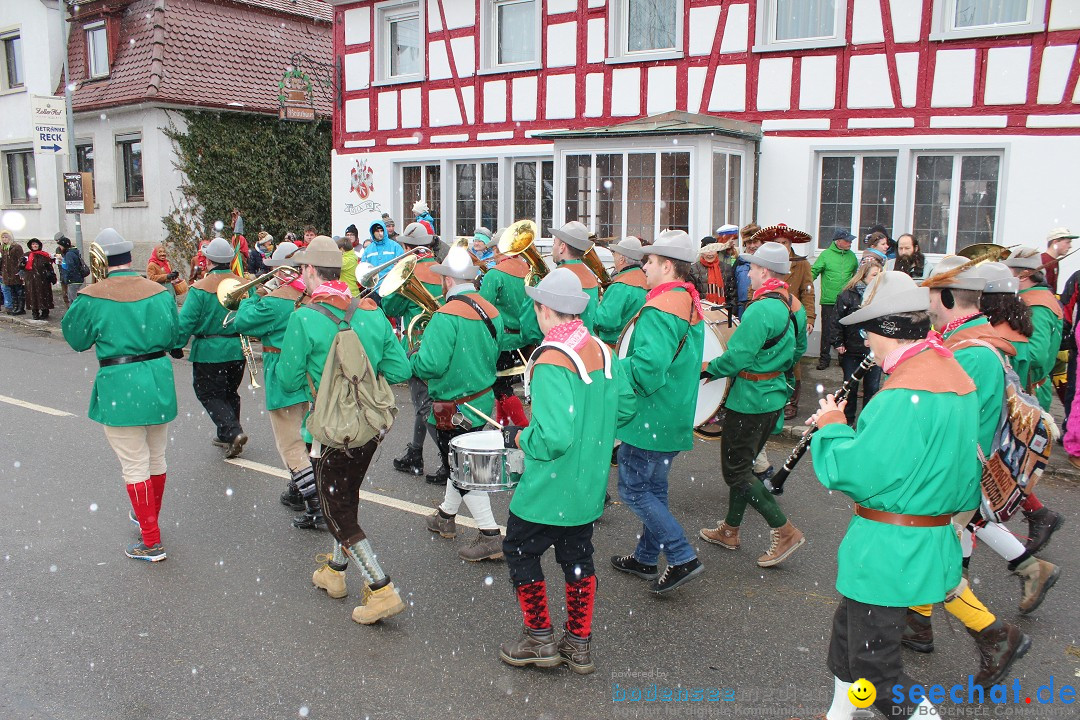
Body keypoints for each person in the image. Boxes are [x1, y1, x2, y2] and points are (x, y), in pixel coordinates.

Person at [806, 270, 979, 719]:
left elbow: (855, 473)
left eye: (867, 331)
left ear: (886, 330)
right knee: (848, 642)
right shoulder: (950, 371)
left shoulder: (901, 394)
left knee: (873, 670)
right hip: (922, 537)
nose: (864, 341)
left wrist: (832, 428)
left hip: (889, 547)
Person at [905, 257, 1035, 686]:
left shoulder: (970, 352)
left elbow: (953, 428)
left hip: (954, 476)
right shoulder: (966, 341)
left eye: (929, 295)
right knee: (932, 553)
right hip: (955, 474)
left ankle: (997, 634)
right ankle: (918, 623)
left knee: (934, 561)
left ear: (944, 297)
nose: (927, 303)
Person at [497, 269, 635, 673]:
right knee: (577, 557)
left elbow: (552, 437)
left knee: (519, 550)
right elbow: (624, 408)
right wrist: (595, 435)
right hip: (588, 483)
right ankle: (578, 643)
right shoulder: (603, 350)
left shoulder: (551, 359)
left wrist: (520, 438)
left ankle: (539, 638)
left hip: (548, 486)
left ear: (543, 310)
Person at [275, 235, 413, 625]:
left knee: (336, 513)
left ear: (309, 272)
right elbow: (401, 370)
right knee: (346, 496)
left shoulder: (303, 317)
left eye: (303, 268)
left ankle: (382, 588)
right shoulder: (369, 311)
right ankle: (335, 574)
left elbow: (286, 380)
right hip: (370, 428)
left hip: (330, 433)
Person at [61, 228, 180, 562]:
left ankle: (151, 540)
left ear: (102, 260)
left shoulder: (92, 295)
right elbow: (175, 336)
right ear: (130, 257)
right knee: (156, 458)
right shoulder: (159, 291)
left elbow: (77, 340)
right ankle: (149, 521)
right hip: (158, 382)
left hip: (120, 384)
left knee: (134, 465)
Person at [700, 242, 806, 567]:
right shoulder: (794, 304)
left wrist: (708, 369)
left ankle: (784, 530)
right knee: (744, 467)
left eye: (751, 269)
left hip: (749, 401)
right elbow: (799, 348)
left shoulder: (761, 309)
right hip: (773, 396)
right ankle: (730, 530)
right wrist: (773, 365)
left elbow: (737, 357)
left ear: (763, 271)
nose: (747, 275)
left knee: (735, 473)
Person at [610, 230, 705, 594]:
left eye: (649, 261)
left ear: (668, 266)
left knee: (634, 490)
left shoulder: (660, 308)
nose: (643, 266)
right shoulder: (686, 300)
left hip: (650, 417)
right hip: (672, 414)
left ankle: (682, 556)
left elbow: (648, 370)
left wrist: (613, 370)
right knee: (654, 488)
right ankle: (647, 558)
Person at [415, 246, 506, 562]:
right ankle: (445, 516)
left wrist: (414, 355)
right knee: (463, 464)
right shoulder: (492, 310)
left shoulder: (445, 316)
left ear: (449, 281)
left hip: (453, 408)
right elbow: (495, 353)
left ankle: (491, 534)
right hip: (482, 399)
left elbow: (430, 366)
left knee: (465, 470)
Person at [977, 262, 1064, 554]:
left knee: (991, 477)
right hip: (1014, 404)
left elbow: (1037, 357)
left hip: (1007, 408)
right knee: (1002, 472)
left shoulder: (1007, 334)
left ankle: (1025, 554)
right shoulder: (1017, 321)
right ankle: (1038, 516)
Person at [230, 242, 314, 518]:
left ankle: (315, 503)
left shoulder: (274, 301)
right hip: (308, 372)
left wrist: (256, 292)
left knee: (289, 444)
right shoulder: (310, 295)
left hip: (281, 370)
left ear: (279, 270)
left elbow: (240, 321)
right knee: (304, 435)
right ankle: (303, 492)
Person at [175, 237, 248, 459]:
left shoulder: (200, 288)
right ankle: (226, 434)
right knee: (229, 392)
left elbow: (186, 321)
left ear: (208, 261)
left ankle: (233, 432)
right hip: (237, 348)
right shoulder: (243, 284)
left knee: (208, 392)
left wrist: (177, 343)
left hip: (210, 350)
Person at [382, 222, 444, 477]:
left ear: (409, 248)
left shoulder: (410, 271)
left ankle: (448, 460)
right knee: (430, 402)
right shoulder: (442, 269)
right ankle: (415, 453)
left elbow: (389, 306)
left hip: (419, 345)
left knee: (425, 405)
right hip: (444, 343)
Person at [759, 224, 816, 420]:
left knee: (794, 359)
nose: (781, 245)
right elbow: (755, 290)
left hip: (793, 314)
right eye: (777, 243)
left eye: (784, 242)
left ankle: (791, 401)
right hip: (770, 314)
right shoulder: (766, 262)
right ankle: (774, 397)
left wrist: (809, 317)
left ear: (790, 243)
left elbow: (808, 292)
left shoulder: (800, 264)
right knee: (770, 356)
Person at [478, 227, 533, 427]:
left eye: (495, 250)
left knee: (500, 387)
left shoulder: (495, 275)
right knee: (504, 386)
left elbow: (483, 310)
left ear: (503, 249)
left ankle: (523, 428)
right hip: (525, 339)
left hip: (504, 341)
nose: (493, 255)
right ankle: (501, 425)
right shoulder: (529, 269)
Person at [517, 221, 600, 345]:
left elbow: (528, 326)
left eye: (554, 243)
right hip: (587, 346)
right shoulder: (592, 277)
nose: (553, 247)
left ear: (562, 247)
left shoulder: (555, 280)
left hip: (559, 348)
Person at [1004, 247, 1062, 411]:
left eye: (1008, 273)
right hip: (1026, 388)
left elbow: (1036, 355)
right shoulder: (1032, 298)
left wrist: (999, 352)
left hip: (1030, 391)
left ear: (1024, 275)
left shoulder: (1038, 305)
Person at [829, 259, 883, 425]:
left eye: (880, 275)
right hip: (851, 350)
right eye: (874, 274)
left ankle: (866, 424)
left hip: (873, 351)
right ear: (864, 275)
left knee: (872, 390)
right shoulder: (847, 295)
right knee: (849, 388)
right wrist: (838, 342)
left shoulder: (882, 294)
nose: (877, 278)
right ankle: (848, 420)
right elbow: (837, 320)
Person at [811, 229, 859, 369]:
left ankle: (843, 359)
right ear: (838, 241)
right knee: (827, 330)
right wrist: (805, 286)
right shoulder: (825, 255)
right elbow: (813, 272)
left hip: (847, 301)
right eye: (847, 240)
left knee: (845, 330)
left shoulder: (852, 257)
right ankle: (824, 359)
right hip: (829, 300)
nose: (850, 242)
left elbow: (856, 276)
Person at [595, 236, 648, 346]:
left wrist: (593, 306)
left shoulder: (621, 287)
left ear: (622, 259)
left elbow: (606, 321)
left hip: (614, 348)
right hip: (632, 344)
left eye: (615, 254)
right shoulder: (645, 280)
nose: (613, 257)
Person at [360, 219, 404, 292]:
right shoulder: (368, 249)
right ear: (372, 233)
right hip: (374, 289)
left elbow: (403, 265)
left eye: (381, 230)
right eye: (377, 231)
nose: (380, 233)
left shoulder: (395, 246)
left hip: (392, 287)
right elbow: (364, 268)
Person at [23, 238, 56, 320]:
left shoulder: (44, 255)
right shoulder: (26, 255)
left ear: (39, 245)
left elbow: (49, 266)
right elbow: (22, 267)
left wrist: (52, 276)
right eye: (33, 244)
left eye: (36, 244)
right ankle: (35, 312)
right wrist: (22, 263)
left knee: (43, 295)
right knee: (33, 296)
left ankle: (45, 311)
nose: (34, 246)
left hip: (43, 279)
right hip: (31, 280)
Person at [732, 223, 761, 318]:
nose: (752, 246)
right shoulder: (739, 262)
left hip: (760, 306)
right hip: (742, 309)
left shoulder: (766, 262)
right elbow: (732, 286)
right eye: (749, 242)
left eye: (755, 242)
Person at [696, 238, 734, 307]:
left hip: (723, 311)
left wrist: (729, 310)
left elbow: (732, 294)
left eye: (713, 249)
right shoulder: (694, 269)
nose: (710, 253)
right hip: (703, 313)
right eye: (707, 250)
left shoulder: (726, 268)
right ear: (702, 252)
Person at [1041, 227, 1075, 293]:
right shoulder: (1044, 260)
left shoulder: (1053, 261)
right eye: (1067, 242)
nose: (1070, 246)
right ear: (1055, 242)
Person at [56, 235, 87, 304]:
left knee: (73, 300)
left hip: (73, 280)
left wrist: (67, 278)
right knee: (72, 298)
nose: (60, 248)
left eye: (61, 246)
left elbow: (70, 267)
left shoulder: (69, 254)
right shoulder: (72, 253)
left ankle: (76, 314)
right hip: (75, 279)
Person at [2, 230, 26, 315]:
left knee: (19, 290)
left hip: (15, 272)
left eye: (6, 237)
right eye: (3, 237)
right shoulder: (3, 247)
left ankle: (21, 308)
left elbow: (21, 259)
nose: (4, 239)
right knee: (12, 291)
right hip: (7, 273)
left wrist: (20, 270)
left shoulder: (16, 247)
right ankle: (15, 307)